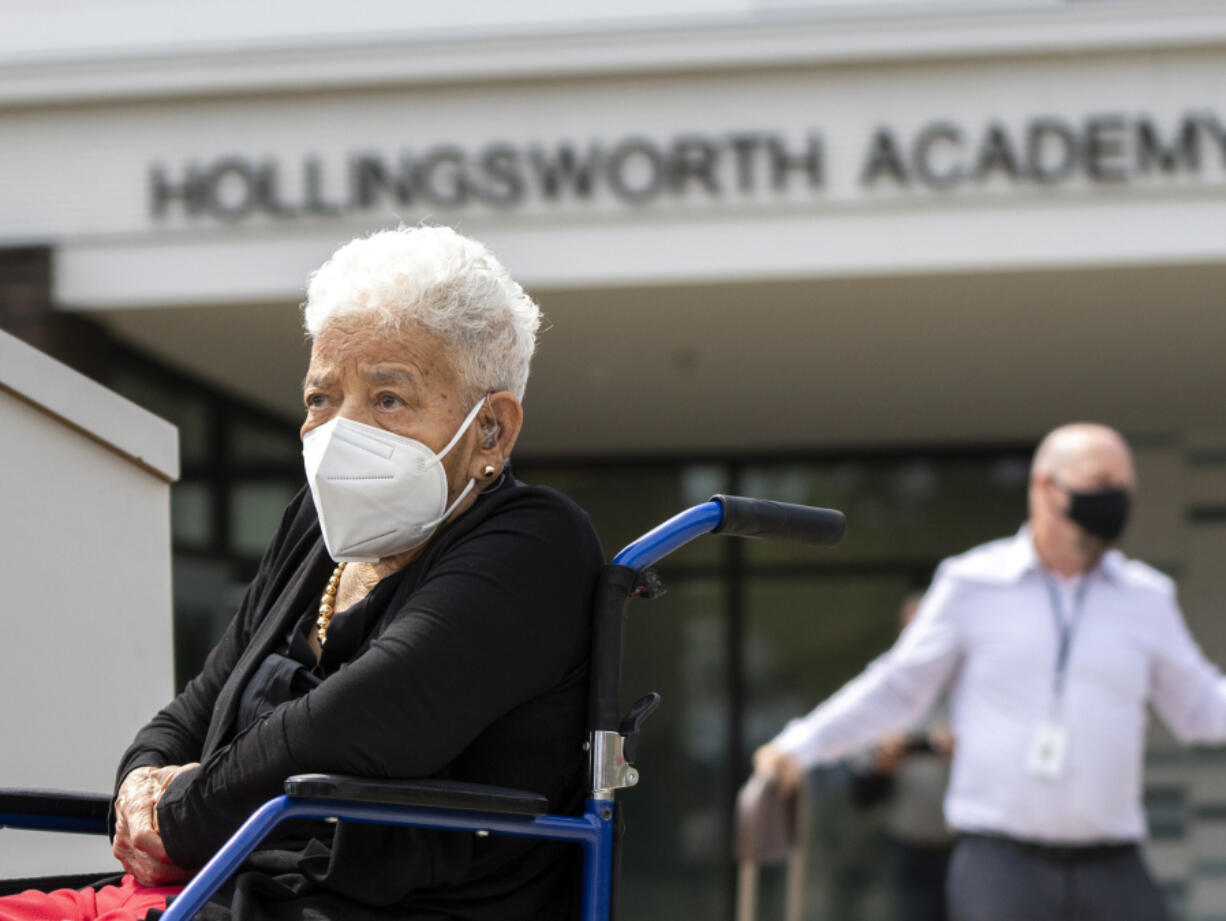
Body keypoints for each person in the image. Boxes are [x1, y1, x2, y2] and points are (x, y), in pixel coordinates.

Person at [0, 226, 604, 921]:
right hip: (208, 888)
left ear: (491, 430)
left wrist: (184, 813)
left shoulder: (535, 544)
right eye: (321, 399)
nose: (340, 432)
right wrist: (142, 782)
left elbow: (364, 721)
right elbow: (201, 704)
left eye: (387, 400)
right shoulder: (315, 530)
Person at [753, 423, 1226, 921]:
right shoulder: (972, 583)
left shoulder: (1146, 597)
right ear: (1045, 487)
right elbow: (897, 689)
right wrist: (800, 745)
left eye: (1123, 488)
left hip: (1114, 867)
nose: (1116, 499)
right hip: (1001, 869)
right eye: (1101, 482)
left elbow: (1200, 707)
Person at [847, 592, 955, 921]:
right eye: (910, 630)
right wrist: (884, 764)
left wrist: (963, 756)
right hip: (909, 849)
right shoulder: (885, 694)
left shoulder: (970, 688)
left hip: (969, 849)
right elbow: (860, 796)